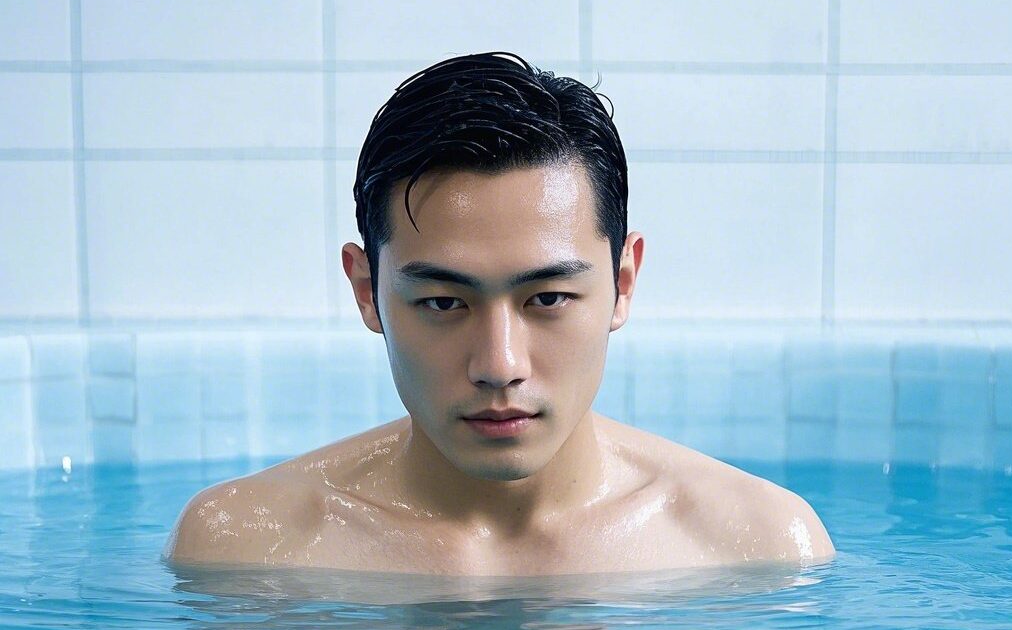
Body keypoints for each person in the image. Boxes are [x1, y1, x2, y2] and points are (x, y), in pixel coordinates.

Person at [164, 51, 834, 574]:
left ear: (623, 283)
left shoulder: (762, 546)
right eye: (443, 302)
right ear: (367, 291)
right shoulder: (243, 547)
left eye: (547, 299)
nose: (499, 366)